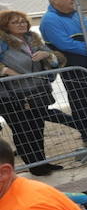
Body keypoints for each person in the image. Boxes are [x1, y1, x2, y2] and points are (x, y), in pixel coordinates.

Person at [38, 0, 87, 147]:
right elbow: (66, 45)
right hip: (76, 68)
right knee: (82, 101)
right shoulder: (49, 20)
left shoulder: (78, 14)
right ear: (54, 0)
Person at [0, 9, 72, 174]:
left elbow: (56, 59)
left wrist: (46, 54)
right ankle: (34, 166)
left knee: (37, 127)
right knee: (22, 129)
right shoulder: (2, 42)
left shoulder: (32, 39)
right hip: (10, 95)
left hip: (36, 91)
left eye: (23, 21)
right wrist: (5, 71)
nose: (21, 24)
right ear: (6, 25)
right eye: (15, 22)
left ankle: (42, 161)